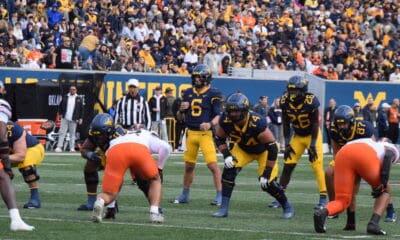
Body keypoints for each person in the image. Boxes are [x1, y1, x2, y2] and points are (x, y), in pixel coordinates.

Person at [212, 93, 294, 219]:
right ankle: (224, 208)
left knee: (267, 184)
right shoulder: (225, 120)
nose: (232, 114)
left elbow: (272, 147)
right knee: (229, 170)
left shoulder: (257, 122)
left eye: (236, 111)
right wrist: (227, 155)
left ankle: (286, 205)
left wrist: (267, 173)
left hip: (264, 151)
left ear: (244, 110)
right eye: (230, 111)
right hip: (243, 149)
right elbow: (219, 138)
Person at [79, 113, 171, 219]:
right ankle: (155, 210)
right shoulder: (143, 135)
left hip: (114, 152)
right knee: (152, 179)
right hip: (132, 150)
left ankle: (102, 202)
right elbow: (166, 147)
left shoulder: (118, 133)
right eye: (96, 134)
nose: (98, 137)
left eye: (101, 134)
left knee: (129, 182)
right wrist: (160, 167)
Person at [325, 105, 397, 227]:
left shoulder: (364, 128)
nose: (341, 126)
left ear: (352, 121)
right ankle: (334, 205)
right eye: (339, 123)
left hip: (367, 157)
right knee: (328, 173)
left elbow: (374, 146)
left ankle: (390, 210)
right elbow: (336, 149)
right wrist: (342, 169)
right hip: (345, 157)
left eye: (344, 123)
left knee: (380, 184)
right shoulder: (334, 129)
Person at [314, 138, 399, 235]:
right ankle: (373, 224)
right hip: (364, 154)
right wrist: (383, 183)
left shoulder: (369, 141)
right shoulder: (389, 146)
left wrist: (351, 223)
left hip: (343, 153)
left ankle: (323, 212)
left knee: (342, 199)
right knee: (385, 191)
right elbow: (388, 155)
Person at [269, 75, 327, 209]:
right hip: (298, 136)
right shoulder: (284, 101)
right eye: (290, 91)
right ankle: (280, 197)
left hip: (312, 135)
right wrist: (288, 143)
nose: (292, 94)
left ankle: (323, 198)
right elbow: (285, 123)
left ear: (303, 91)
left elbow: (315, 123)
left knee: (316, 165)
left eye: (295, 91)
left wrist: (312, 145)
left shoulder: (310, 101)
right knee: (288, 165)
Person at [172, 64, 222, 205]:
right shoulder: (188, 93)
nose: (197, 79)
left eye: (199, 77)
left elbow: (219, 115)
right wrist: (181, 111)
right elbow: (180, 118)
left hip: (205, 134)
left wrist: (210, 124)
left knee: (213, 165)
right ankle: (185, 194)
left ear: (206, 78)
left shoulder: (214, 93)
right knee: (189, 166)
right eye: (195, 77)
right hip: (191, 133)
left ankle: (220, 195)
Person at [0, 81, 34, 231]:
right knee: (4, 176)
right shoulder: (2, 104)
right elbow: (2, 134)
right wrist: (7, 165)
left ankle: (16, 220)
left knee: (2, 177)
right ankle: (16, 220)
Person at [7, 121, 45, 209]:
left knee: (26, 167)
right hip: (10, 151)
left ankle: (35, 198)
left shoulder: (11, 128)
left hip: (31, 148)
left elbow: (20, 156)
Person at [55, 85, 84, 152]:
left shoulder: (78, 98)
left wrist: (81, 118)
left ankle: (72, 148)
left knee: (72, 134)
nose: (72, 90)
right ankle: (59, 147)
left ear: (76, 90)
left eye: (74, 89)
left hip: (74, 119)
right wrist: (60, 114)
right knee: (62, 132)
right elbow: (60, 106)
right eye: (71, 89)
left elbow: (81, 109)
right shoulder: (65, 97)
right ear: (69, 90)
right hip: (65, 118)